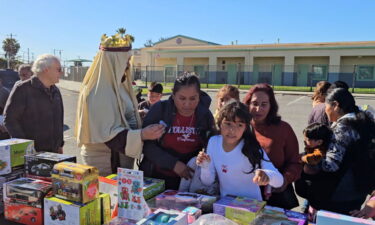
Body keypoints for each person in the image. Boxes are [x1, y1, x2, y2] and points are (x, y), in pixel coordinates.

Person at [75, 32, 165, 176]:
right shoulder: (97, 92)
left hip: (121, 156)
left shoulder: (118, 85)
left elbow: (119, 116)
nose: (128, 65)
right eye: (126, 60)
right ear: (114, 61)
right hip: (106, 161)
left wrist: (137, 116)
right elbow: (109, 136)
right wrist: (142, 134)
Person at [305, 87, 375, 215]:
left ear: (335, 105)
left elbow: (331, 165)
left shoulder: (343, 126)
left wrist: (310, 159)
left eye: (326, 106)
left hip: (339, 192)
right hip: (359, 188)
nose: (325, 110)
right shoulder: (363, 120)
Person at [140, 72, 215, 190]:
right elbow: (146, 145)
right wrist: (173, 164)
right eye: (182, 98)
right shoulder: (160, 110)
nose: (187, 104)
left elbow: (211, 147)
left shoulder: (204, 115)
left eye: (193, 98)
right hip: (157, 178)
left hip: (191, 181)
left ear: (199, 96)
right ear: (173, 95)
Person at [197, 102, 283, 200]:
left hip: (252, 206)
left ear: (245, 127)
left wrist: (267, 175)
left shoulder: (252, 147)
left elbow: (279, 180)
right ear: (220, 123)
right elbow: (207, 182)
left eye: (239, 125)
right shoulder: (213, 142)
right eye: (228, 124)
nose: (232, 130)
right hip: (225, 205)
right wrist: (205, 167)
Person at [243, 83, 301, 209]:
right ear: (248, 104)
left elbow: (295, 163)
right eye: (254, 103)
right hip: (245, 195)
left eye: (264, 104)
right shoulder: (240, 126)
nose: (258, 109)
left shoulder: (283, 129)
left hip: (275, 196)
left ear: (271, 106)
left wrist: (284, 180)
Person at [4, 54, 64, 153]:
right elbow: (10, 119)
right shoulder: (23, 89)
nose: (61, 72)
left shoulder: (55, 91)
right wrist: (26, 147)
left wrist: (60, 144)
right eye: (58, 69)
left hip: (54, 153)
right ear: (46, 69)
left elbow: (58, 120)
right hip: (32, 155)